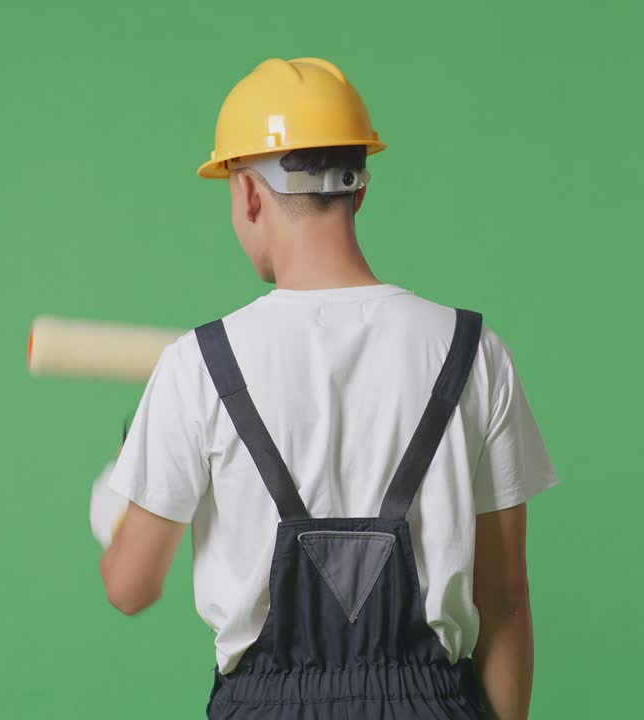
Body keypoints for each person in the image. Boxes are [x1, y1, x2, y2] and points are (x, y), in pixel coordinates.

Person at [93, 57, 558, 719]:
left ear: (249, 194)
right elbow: (505, 596)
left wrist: (115, 496)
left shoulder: (196, 366)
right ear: (358, 187)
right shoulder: (473, 352)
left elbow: (130, 587)